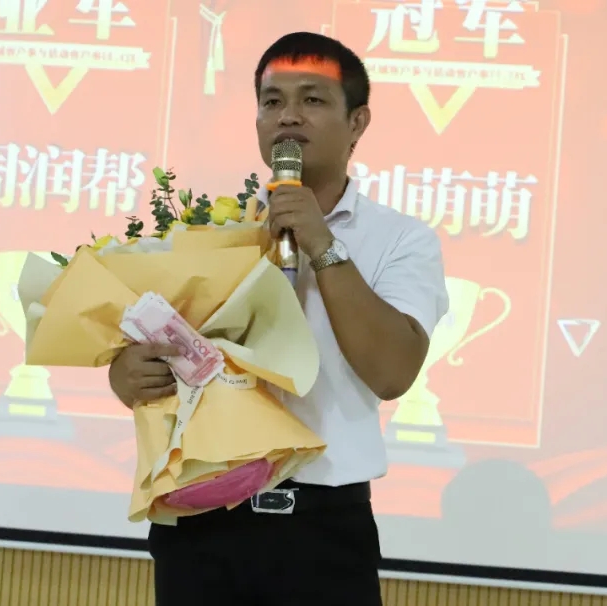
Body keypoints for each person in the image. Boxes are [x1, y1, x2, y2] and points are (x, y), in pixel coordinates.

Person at [107, 32, 450, 606]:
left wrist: (322, 244)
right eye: (272, 101)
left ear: (358, 122)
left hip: (321, 534)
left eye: (312, 99)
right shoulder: (210, 230)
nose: (288, 115)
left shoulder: (401, 240)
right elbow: (161, 358)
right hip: (201, 525)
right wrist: (129, 374)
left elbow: (393, 372)